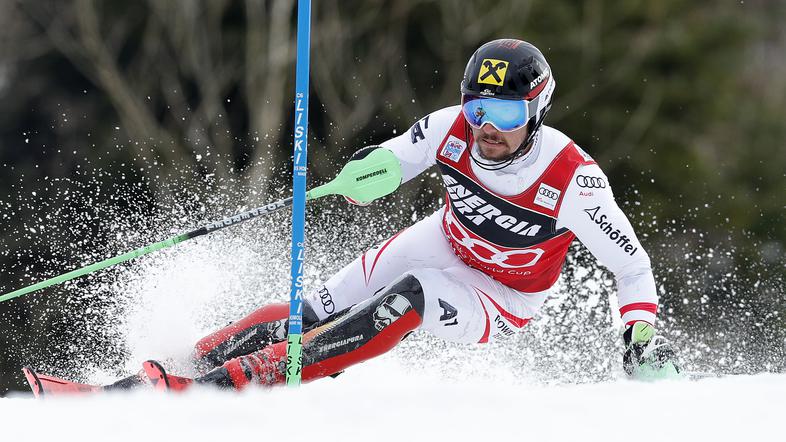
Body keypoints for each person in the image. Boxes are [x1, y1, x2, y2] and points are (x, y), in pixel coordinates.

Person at [120, 38, 681, 391]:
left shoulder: (573, 180)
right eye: (477, 108)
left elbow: (632, 265)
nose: (487, 128)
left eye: (507, 114)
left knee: (410, 296)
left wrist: (640, 333)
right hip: (444, 240)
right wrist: (364, 176)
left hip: (502, 295)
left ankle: (235, 383)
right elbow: (393, 159)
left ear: (536, 112)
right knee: (314, 310)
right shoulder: (451, 129)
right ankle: (179, 365)